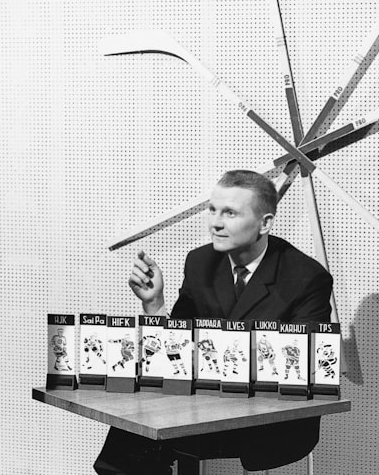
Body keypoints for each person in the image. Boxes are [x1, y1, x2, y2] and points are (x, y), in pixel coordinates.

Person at [94, 170, 333, 475]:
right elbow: (174, 349)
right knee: (130, 432)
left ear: (265, 223)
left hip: (269, 420)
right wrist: (153, 303)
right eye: (212, 210)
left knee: (145, 435)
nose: (215, 223)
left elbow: (304, 371)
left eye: (230, 213)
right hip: (205, 403)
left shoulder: (306, 278)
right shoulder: (200, 262)